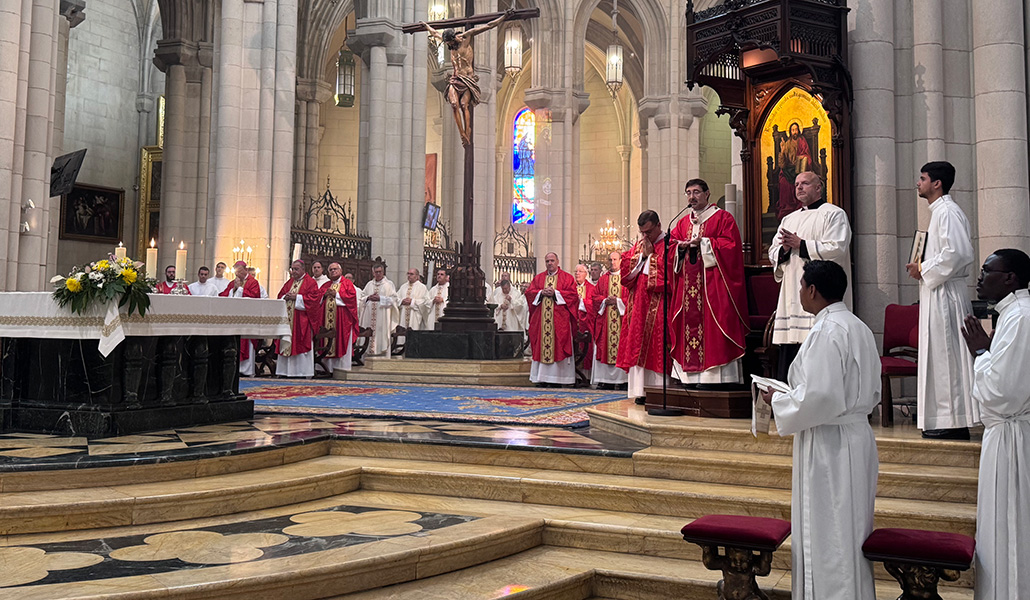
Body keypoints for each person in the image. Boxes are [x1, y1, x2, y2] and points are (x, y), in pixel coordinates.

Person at [761, 260, 879, 600]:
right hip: (854, 435)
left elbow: (822, 397)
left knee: (831, 532)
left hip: (830, 442)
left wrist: (778, 401)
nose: (798, 293)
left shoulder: (827, 332)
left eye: (800, 286)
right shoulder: (857, 325)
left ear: (813, 290)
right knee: (850, 528)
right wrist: (791, 396)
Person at [959, 249, 1030, 598]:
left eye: (988, 270)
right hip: (1005, 433)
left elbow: (1002, 392)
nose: (980, 276)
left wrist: (980, 352)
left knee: (1010, 527)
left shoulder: (1020, 317)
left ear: (1010, 278)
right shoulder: (1013, 314)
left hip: (1013, 436)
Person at [906, 161, 978, 439]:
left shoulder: (947, 211)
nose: (918, 183)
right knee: (940, 355)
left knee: (947, 356)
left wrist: (922, 268)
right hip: (938, 293)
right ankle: (943, 418)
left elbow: (958, 253)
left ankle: (954, 420)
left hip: (946, 296)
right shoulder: (938, 213)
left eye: (922, 178)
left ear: (937, 183)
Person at [769, 171, 852, 380]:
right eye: (796, 184)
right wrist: (785, 250)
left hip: (820, 293)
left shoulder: (834, 214)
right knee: (791, 350)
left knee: (818, 350)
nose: (798, 187)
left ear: (818, 187)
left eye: (805, 183)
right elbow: (773, 251)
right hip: (792, 294)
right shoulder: (788, 219)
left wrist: (802, 245)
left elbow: (838, 248)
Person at [671, 178, 749, 388]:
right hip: (688, 289)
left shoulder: (723, 218)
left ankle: (714, 378)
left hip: (713, 288)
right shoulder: (682, 223)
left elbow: (731, 247)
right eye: (688, 192)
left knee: (716, 326)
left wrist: (704, 243)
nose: (691, 197)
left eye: (696, 192)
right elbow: (671, 250)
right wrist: (680, 248)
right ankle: (688, 377)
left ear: (707, 194)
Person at [419, 10, 512, 146]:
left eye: (450, 43)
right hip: (455, 78)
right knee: (454, 104)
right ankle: (461, 132)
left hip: (467, 79)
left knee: (464, 105)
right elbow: (434, 33)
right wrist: (425, 25)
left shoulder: (465, 39)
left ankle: (467, 130)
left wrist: (504, 17)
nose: (449, 46)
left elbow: (488, 26)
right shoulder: (448, 41)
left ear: (454, 39)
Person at [617, 210, 672, 403]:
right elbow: (625, 272)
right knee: (637, 345)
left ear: (658, 225)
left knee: (656, 347)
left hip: (659, 305)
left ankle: (657, 391)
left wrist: (650, 258)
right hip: (638, 306)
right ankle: (639, 391)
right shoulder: (639, 245)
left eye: (648, 232)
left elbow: (671, 274)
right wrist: (642, 257)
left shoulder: (670, 244)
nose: (645, 236)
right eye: (642, 232)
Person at [526, 252, 578, 386]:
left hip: (559, 322)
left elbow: (573, 296)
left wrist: (557, 293)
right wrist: (540, 293)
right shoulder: (538, 279)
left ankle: (557, 379)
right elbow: (529, 293)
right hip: (542, 321)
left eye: (552, 261)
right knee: (542, 345)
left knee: (558, 346)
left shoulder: (567, 278)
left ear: (558, 261)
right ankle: (541, 378)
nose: (550, 263)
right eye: (547, 261)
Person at [274, 260, 321, 378]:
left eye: (296, 269)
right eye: (292, 269)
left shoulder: (310, 283)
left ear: (303, 269)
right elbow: (280, 295)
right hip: (288, 320)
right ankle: (285, 372)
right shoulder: (289, 282)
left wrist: (298, 297)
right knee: (287, 341)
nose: (293, 272)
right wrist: (286, 296)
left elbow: (314, 300)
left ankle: (302, 372)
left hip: (301, 321)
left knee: (300, 343)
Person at [589, 251, 628, 389]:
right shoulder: (603, 280)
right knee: (604, 346)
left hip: (622, 321)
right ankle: (605, 380)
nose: (612, 262)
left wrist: (618, 301)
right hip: (605, 321)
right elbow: (594, 297)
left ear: (621, 260)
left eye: (615, 259)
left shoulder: (627, 277)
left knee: (623, 348)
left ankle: (623, 381)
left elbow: (634, 297)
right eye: (610, 259)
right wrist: (606, 300)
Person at [219, 261, 263, 376]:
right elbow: (223, 296)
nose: (237, 274)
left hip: (248, 319)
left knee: (246, 343)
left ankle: (247, 371)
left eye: (239, 271)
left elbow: (254, 297)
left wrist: (240, 289)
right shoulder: (233, 283)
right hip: (234, 319)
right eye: (236, 271)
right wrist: (233, 289)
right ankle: (235, 369)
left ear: (245, 270)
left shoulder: (253, 282)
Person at [319, 262, 360, 374]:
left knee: (340, 341)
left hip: (342, 320)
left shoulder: (347, 284)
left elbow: (351, 300)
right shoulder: (325, 285)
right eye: (331, 269)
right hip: (326, 321)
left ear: (341, 271)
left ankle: (341, 368)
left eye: (335, 269)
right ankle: (326, 368)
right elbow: (317, 299)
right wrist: (324, 295)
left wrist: (336, 295)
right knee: (326, 340)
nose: (333, 271)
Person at [358, 264, 399, 357]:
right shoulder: (369, 284)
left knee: (381, 334)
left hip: (382, 316)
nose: (378, 274)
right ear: (373, 273)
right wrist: (368, 297)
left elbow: (394, 300)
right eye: (376, 272)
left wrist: (380, 298)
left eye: (380, 272)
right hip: (369, 317)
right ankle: (367, 355)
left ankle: (382, 355)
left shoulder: (389, 284)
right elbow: (361, 298)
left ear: (383, 272)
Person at [775, 121, 813, 219]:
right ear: (790, 132)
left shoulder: (802, 141)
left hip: (800, 169)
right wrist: (782, 151)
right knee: (783, 182)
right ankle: (787, 208)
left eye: (796, 129)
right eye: (792, 130)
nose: (794, 132)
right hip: (788, 169)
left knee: (801, 181)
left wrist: (802, 160)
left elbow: (807, 155)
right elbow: (782, 164)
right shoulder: (787, 144)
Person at [573, 264, 595, 370]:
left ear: (586, 274)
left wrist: (582, 302)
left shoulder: (592, 289)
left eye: (580, 271)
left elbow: (594, 304)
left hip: (586, 323)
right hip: (572, 323)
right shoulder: (570, 287)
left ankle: (585, 373)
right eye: (576, 271)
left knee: (586, 348)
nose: (577, 273)